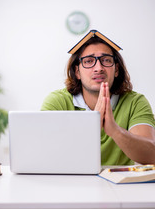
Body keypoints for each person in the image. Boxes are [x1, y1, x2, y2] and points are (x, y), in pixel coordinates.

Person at [41, 30, 155, 165]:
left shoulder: (135, 102)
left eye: (106, 60)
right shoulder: (57, 102)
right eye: (89, 61)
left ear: (116, 70)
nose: (98, 68)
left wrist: (115, 130)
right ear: (77, 72)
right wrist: (92, 126)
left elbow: (151, 156)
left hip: (120, 185)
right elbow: (46, 153)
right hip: (71, 183)